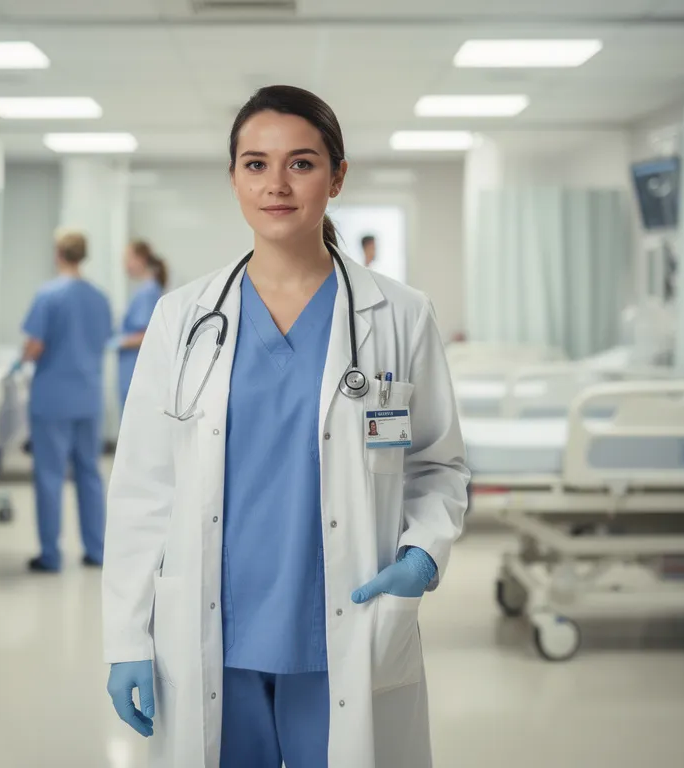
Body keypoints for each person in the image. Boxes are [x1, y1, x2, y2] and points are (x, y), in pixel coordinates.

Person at [102, 85, 469, 768]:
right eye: (255, 164)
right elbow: (142, 490)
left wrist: (423, 554)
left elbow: (438, 464)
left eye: (301, 164)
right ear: (234, 177)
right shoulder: (183, 319)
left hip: (345, 628)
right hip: (211, 634)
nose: (276, 184)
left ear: (336, 176)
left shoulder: (399, 315)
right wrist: (127, 636)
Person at [18, 229, 113, 572]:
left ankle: (50, 555)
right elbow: (103, 341)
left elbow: (35, 346)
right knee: (89, 472)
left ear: (59, 254)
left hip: (53, 398)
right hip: (87, 396)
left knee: (50, 475)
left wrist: (21, 360)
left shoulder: (48, 295)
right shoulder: (99, 298)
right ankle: (96, 550)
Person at [116, 240, 167, 412]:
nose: (125, 265)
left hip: (136, 370)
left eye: (127, 259)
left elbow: (146, 335)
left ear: (141, 259)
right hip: (136, 370)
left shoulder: (147, 292)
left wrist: (117, 342)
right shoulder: (147, 290)